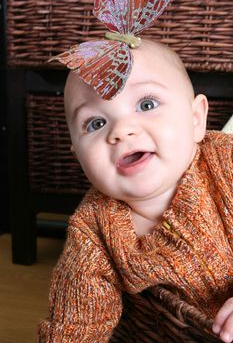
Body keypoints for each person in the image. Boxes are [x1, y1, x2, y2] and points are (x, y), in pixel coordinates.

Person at [38, 40, 233, 343]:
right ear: (78, 156)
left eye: (147, 104)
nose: (121, 130)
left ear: (196, 119)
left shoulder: (223, 161)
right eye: (96, 122)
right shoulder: (94, 229)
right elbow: (75, 325)